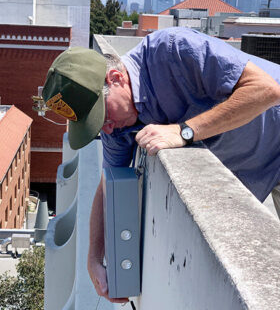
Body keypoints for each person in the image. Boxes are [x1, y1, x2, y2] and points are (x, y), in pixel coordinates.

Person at [42, 27, 280, 303]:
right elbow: (108, 183)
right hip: (260, 169)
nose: (106, 130)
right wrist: (94, 259)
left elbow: (267, 90)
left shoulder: (172, 50)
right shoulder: (118, 126)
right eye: (96, 126)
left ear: (116, 78)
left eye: (102, 116)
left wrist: (183, 131)